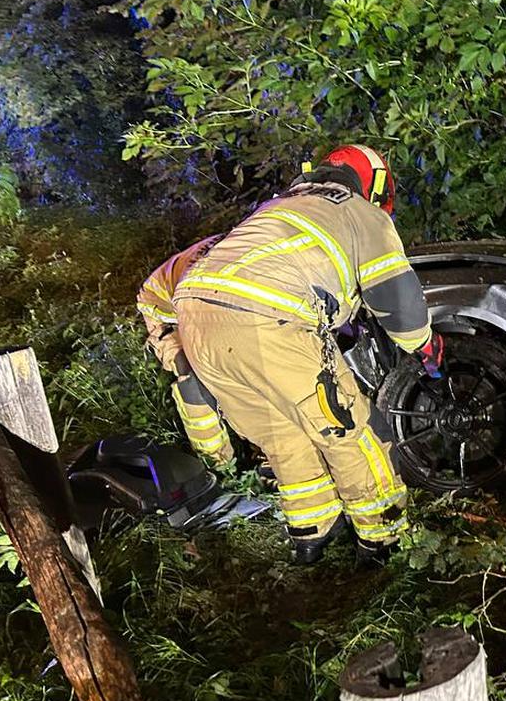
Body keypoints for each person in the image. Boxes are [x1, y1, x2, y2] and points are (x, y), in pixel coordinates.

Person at [173, 145, 442, 564]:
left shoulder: (279, 207)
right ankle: (384, 539)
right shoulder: (359, 212)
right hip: (267, 319)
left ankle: (311, 533)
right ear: (374, 184)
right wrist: (424, 345)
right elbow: (396, 296)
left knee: (283, 436)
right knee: (350, 429)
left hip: (195, 317)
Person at [137, 234, 236, 464]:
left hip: (201, 298)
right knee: (191, 377)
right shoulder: (218, 280)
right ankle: (218, 462)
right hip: (165, 312)